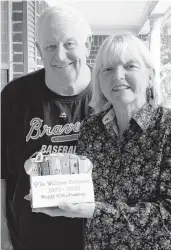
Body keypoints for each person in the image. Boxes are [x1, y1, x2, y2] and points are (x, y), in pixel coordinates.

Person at [58, 33, 171, 249]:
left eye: (130, 66)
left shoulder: (167, 128)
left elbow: (168, 214)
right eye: (107, 69)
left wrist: (95, 211)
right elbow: (78, 187)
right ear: (98, 80)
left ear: (150, 75)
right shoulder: (90, 128)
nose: (118, 76)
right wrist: (47, 183)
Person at [1, 4, 93, 250]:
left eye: (69, 44)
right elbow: (1, 174)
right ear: (39, 49)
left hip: (94, 238)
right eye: (51, 46)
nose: (60, 55)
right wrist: (2, 236)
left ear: (88, 44)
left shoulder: (107, 96)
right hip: (29, 239)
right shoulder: (13, 96)